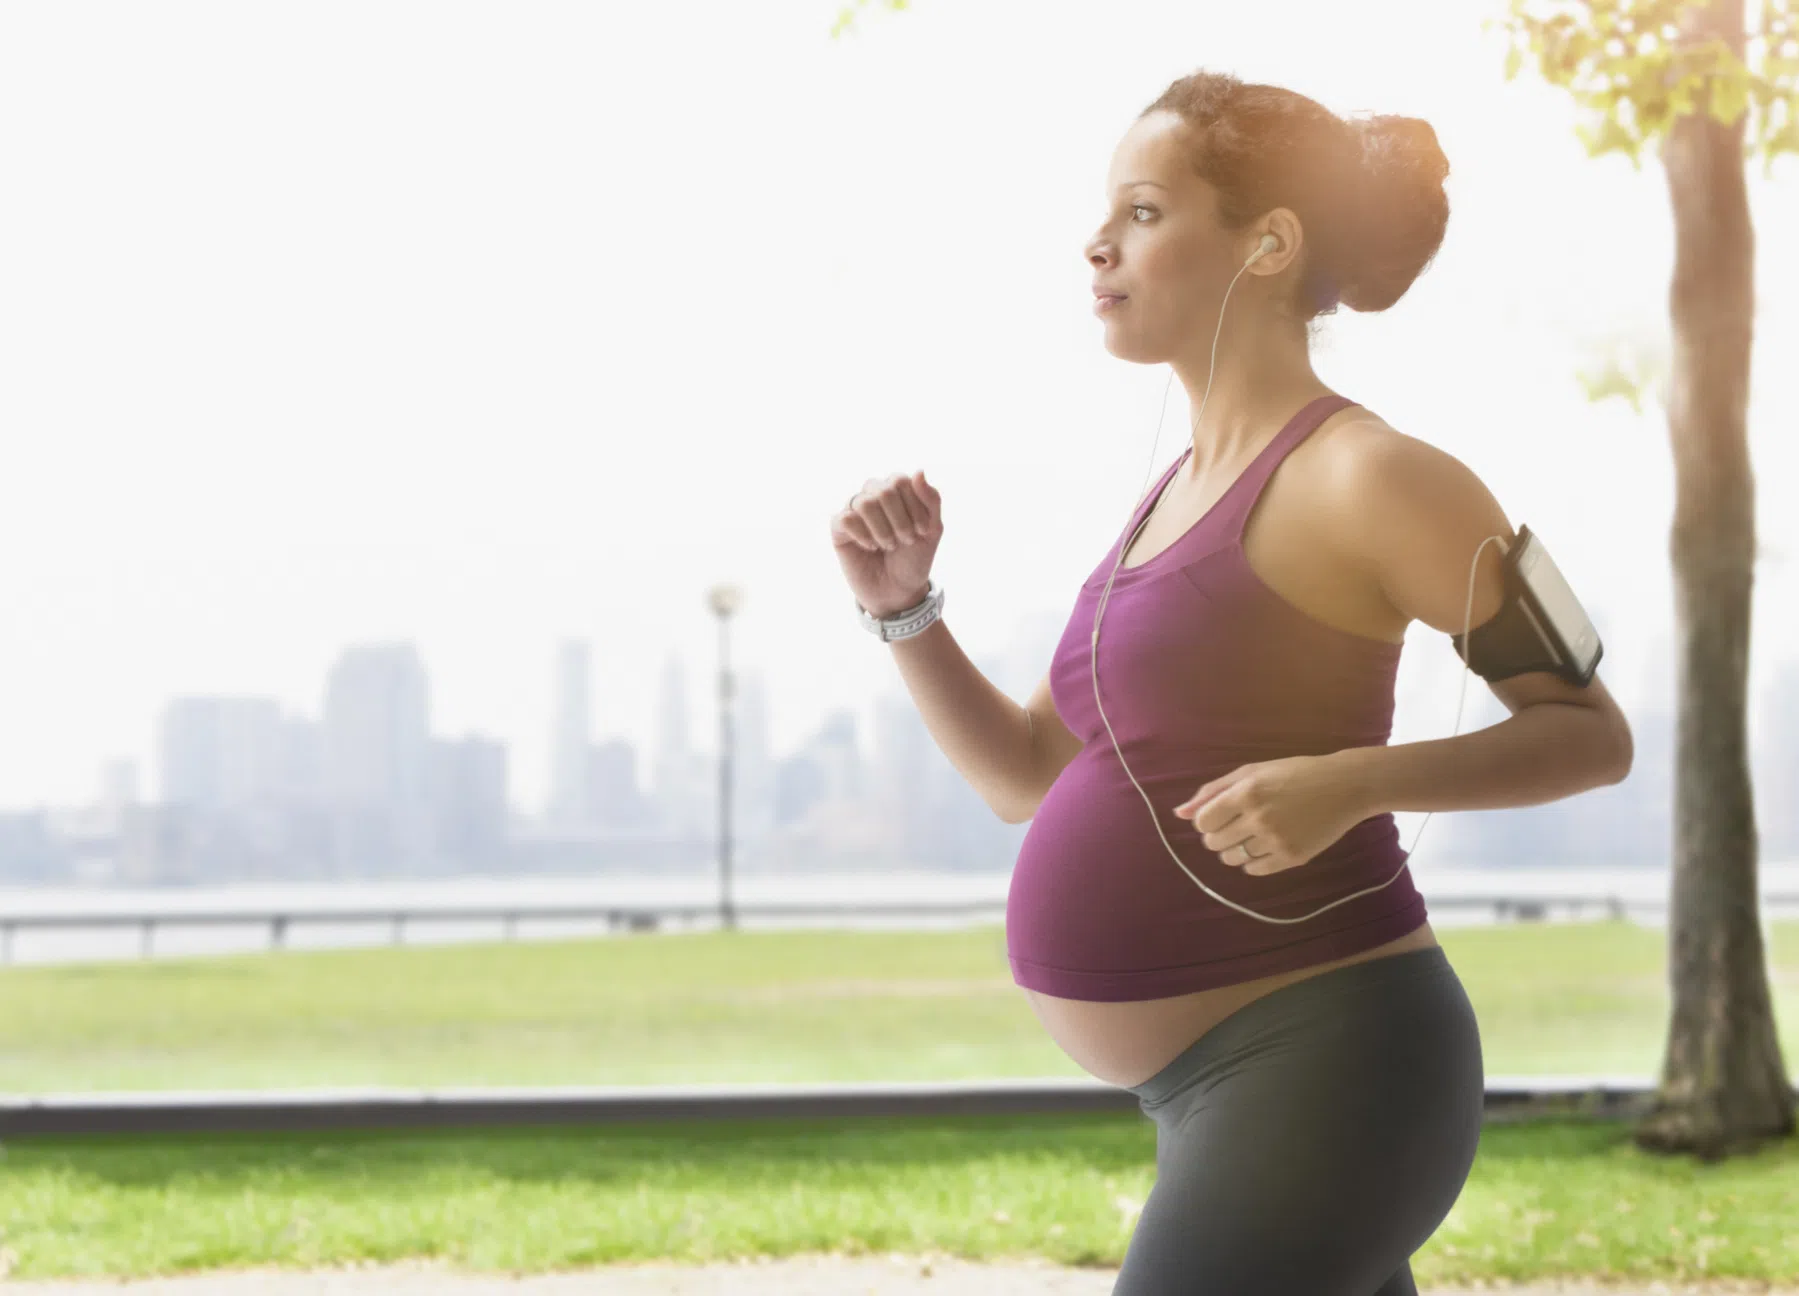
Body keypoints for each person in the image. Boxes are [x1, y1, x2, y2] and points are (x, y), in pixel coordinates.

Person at [829, 69, 1634, 1296]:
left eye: (1144, 211)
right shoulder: (1164, 496)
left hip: (1331, 1067)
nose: (1097, 241)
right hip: (1215, 1091)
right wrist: (902, 611)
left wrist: (1348, 784)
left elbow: (1589, 732)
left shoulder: (1375, 477)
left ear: (1267, 243)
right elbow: (1025, 778)